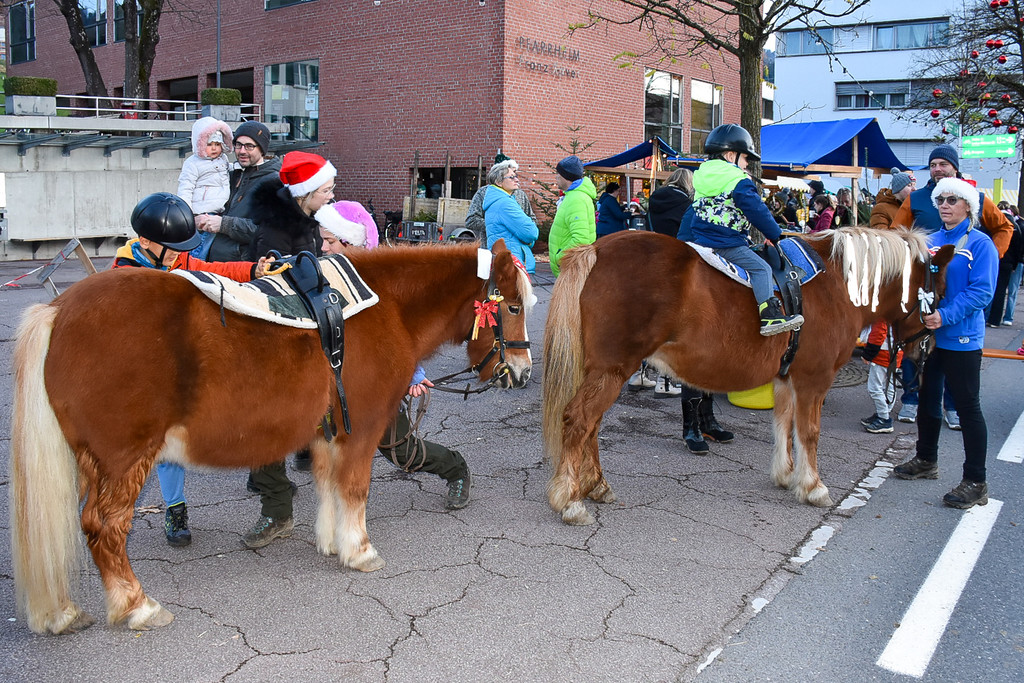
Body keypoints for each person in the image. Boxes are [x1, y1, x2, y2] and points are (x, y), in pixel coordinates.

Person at [112, 192, 274, 546]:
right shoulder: (124, 272)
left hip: (176, 368)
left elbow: (211, 269)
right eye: (174, 248)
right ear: (145, 242)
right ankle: (154, 509)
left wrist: (251, 270)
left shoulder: (178, 260)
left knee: (174, 440)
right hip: (141, 374)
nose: (181, 255)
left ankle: (185, 505)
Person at [314, 201, 473, 509]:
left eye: (330, 241)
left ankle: (455, 469)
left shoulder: (381, 283)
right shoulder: (324, 275)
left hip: (374, 381)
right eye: (322, 240)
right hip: (333, 380)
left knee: (402, 452)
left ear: (352, 242)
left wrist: (412, 376)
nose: (323, 248)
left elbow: (404, 332)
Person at [241, 151, 338, 549]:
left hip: (303, 325)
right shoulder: (274, 232)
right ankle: (276, 506)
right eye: (328, 190)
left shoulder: (305, 219)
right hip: (274, 333)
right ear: (306, 192)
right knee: (265, 420)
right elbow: (277, 285)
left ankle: (300, 449)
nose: (333, 196)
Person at [893, 177, 998, 509]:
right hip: (928, 338)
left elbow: (982, 292)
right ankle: (926, 460)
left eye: (953, 200)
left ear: (968, 205)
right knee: (926, 398)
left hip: (961, 339)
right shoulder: (930, 240)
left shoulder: (981, 244)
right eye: (940, 200)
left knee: (967, 408)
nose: (945, 205)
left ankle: (976, 481)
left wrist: (946, 316)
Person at [891, 145, 1012, 425]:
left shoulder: (977, 197)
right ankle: (910, 401)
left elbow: (1004, 228)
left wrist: (988, 259)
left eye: (943, 163)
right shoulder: (917, 198)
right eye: (933, 164)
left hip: (960, 299)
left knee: (961, 389)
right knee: (916, 357)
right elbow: (896, 237)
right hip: (923, 293)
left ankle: (953, 408)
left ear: (954, 168)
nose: (937, 168)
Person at [682, 123, 803, 336]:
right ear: (731, 155)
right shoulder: (737, 180)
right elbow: (757, 210)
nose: (746, 165)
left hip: (699, 241)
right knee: (761, 269)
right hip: (727, 243)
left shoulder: (700, 177)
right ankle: (770, 317)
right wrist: (775, 235)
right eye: (745, 158)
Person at [196, 120, 282, 263]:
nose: (242, 151)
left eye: (249, 146)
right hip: (211, 262)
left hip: (240, 269)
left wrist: (224, 224)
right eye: (238, 145)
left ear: (262, 149)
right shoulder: (229, 174)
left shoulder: (274, 183)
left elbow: (268, 231)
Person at [177, 117, 233, 259]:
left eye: (217, 144)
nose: (214, 148)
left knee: (209, 242)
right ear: (200, 144)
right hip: (203, 210)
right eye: (209, 144)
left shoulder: (223, 159)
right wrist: (186, 212)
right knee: (201, 243)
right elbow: (186, 187)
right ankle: (194, 262)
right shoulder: (193, 163)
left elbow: (227, 171)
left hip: (219, 209)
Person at [482, 161, 539, 274]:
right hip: (512, 263)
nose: (516, 180)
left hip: (503, 260)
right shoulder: (505, 203)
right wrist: (529, 241)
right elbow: (531, 232)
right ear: (499, 182)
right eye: (511, 177)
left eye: (516, 176)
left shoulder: (496, 201)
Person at [547, 155, 597, 276]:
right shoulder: (573, 196)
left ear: (566, 176)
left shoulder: (576, 199)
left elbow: (581, 238)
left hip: (569, 269)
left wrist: (560, 258)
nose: (556, 176)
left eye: (558, 173)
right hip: (568, 268)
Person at [466, 157, 538, 238]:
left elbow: (532, 219)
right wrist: (498, 226)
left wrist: (527, 236)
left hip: (518, 247)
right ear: (499, 179)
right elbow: (471, 221)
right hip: (492, 247)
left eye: (515, 174)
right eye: (511, 176)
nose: (516, 179)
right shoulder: (483, 193)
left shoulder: (521, 195)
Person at [859, 320, 902, 434]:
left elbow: (878, 332)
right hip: (895, 352)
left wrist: (868, 354)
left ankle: (884, 417)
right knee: (889, 385)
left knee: (874, 388)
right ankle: (884, 413)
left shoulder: (883, 312)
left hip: (883, 354)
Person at [986, 201, 1024, 328]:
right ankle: (997, 319)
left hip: (995, 260)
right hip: (1008, 263)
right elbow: (1018, 246)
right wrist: (1014, 264)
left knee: (988, 288)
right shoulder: (1015, 226)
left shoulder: (991, 224)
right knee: (1003, 291)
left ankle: (986, 316)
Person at [647, 168, 693, 236]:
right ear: (689, 183)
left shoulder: (655, 197)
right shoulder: (686, 203)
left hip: (653, 241)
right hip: (675, 243)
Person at [1003, 205, 1024, 325]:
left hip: (1012, 262)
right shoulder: (1019, 226)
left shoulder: (1017, 226)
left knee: (1005, 291)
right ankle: (1008, 317)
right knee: (1012, 291)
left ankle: (1005, 317)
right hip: (1017, 262)